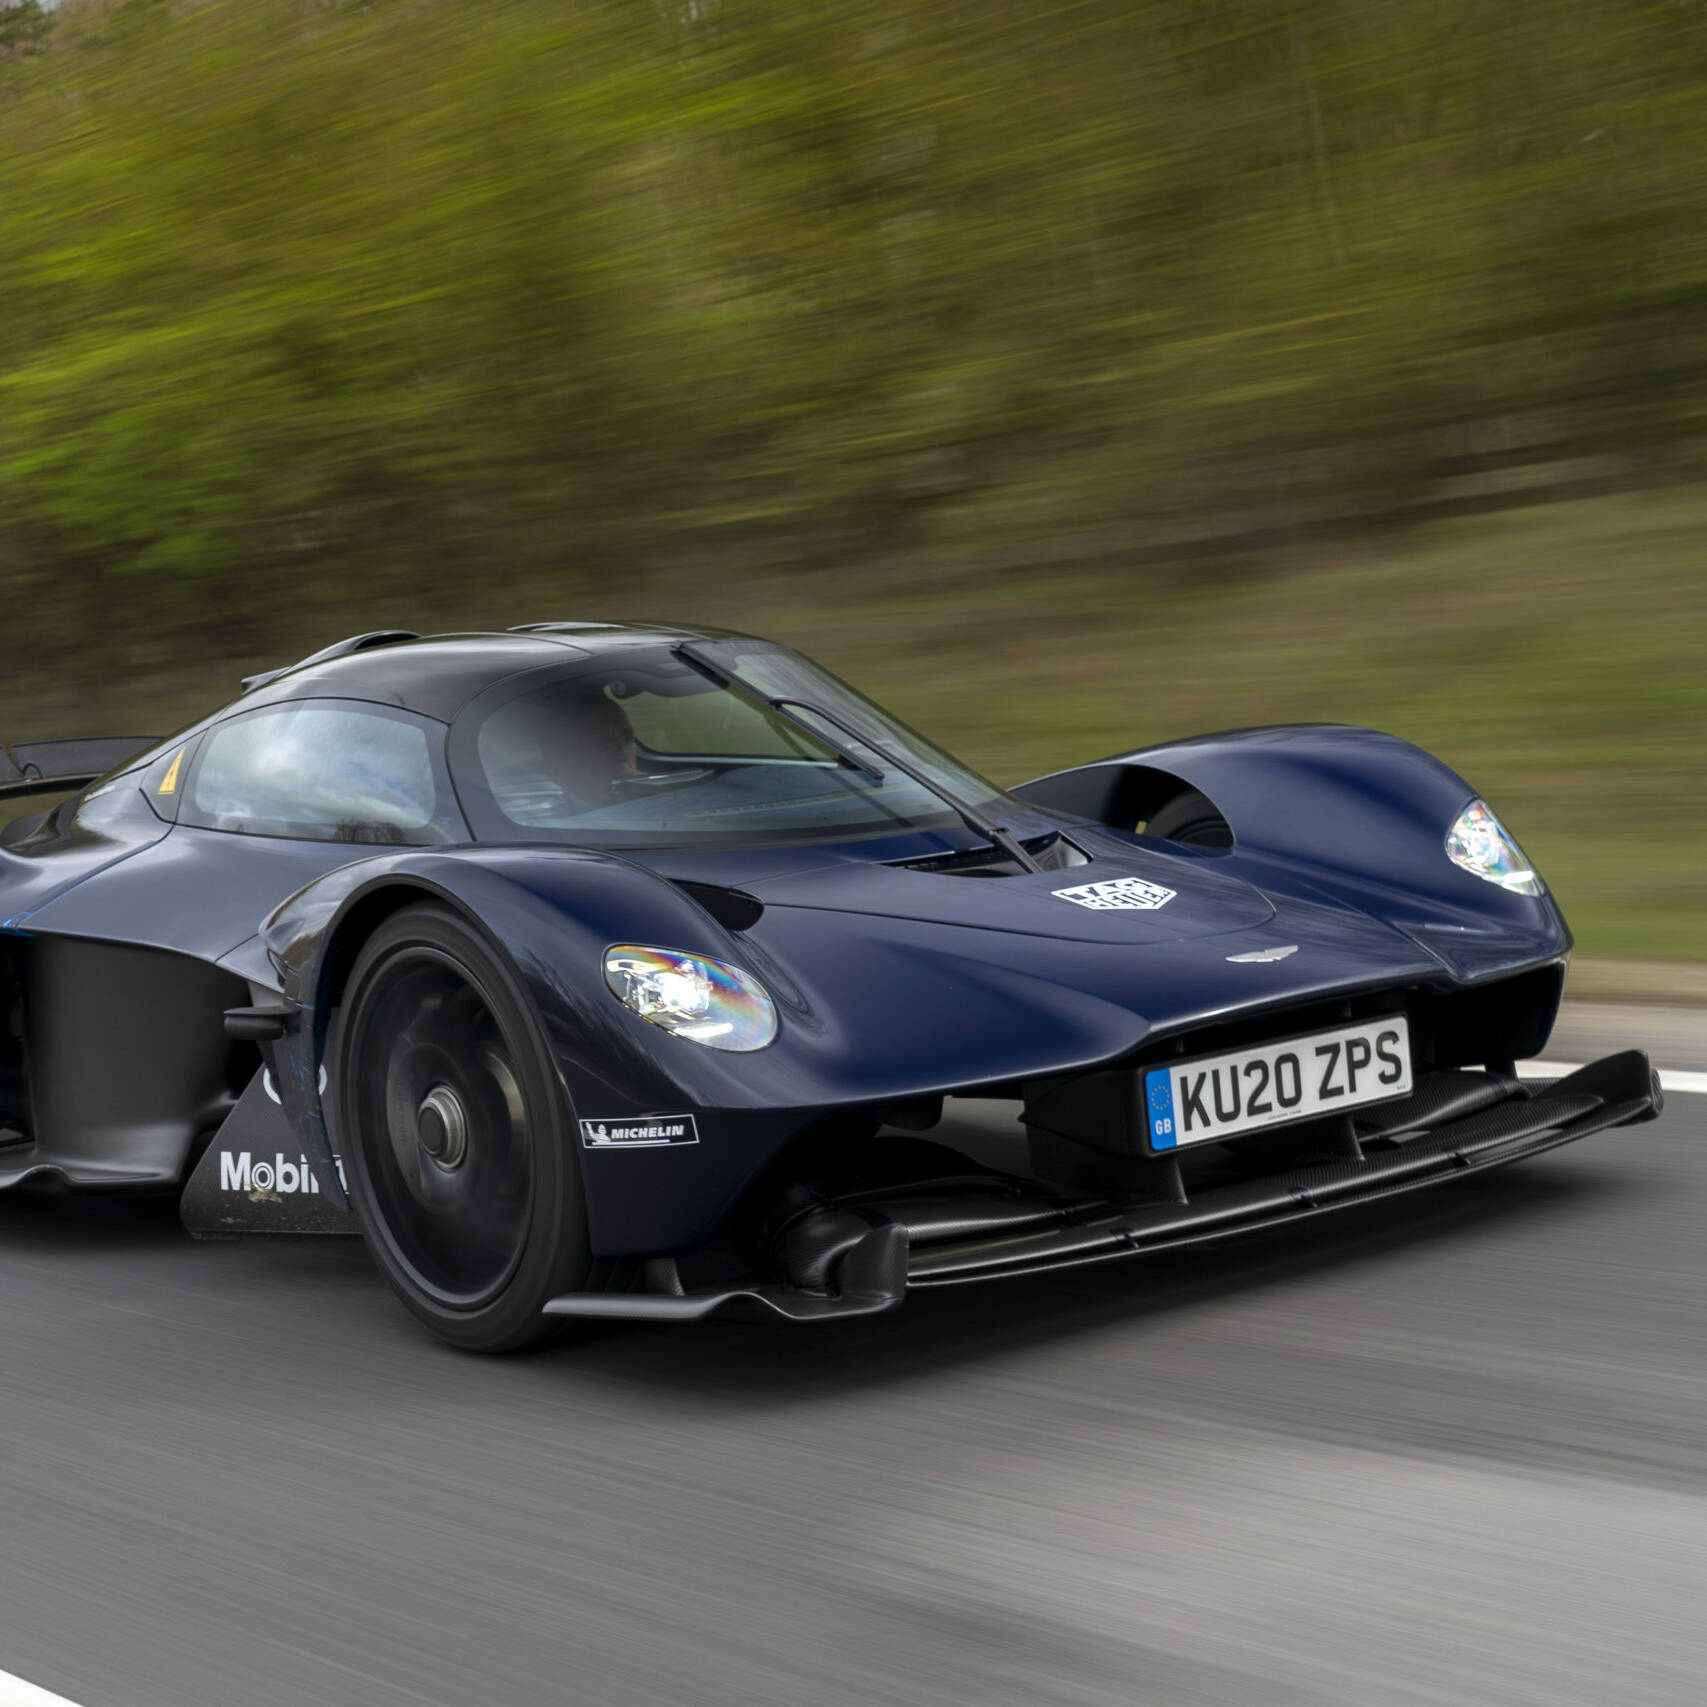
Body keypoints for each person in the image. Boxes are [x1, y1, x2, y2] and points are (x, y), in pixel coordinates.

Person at [483, 685, 639, 824]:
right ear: (558, 769)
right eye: (600, 741)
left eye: (626, 737)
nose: (618, 750)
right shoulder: (550, 830)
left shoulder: (656, 804)